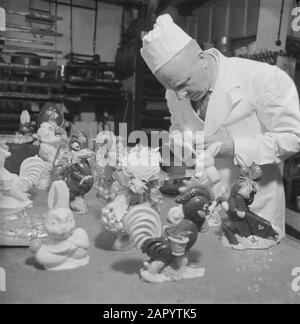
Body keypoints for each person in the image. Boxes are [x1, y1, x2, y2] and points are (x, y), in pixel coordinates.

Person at [140, 14, 300, 238]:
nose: (180, 94)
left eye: (184, 83)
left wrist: (233, 147)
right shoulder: (175, 91)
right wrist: (179, 142)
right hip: (204, 203)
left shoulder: (264, 78)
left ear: (202, 58)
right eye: (172, 87)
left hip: (254, 203)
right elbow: (177, 126)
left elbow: (293, 137)